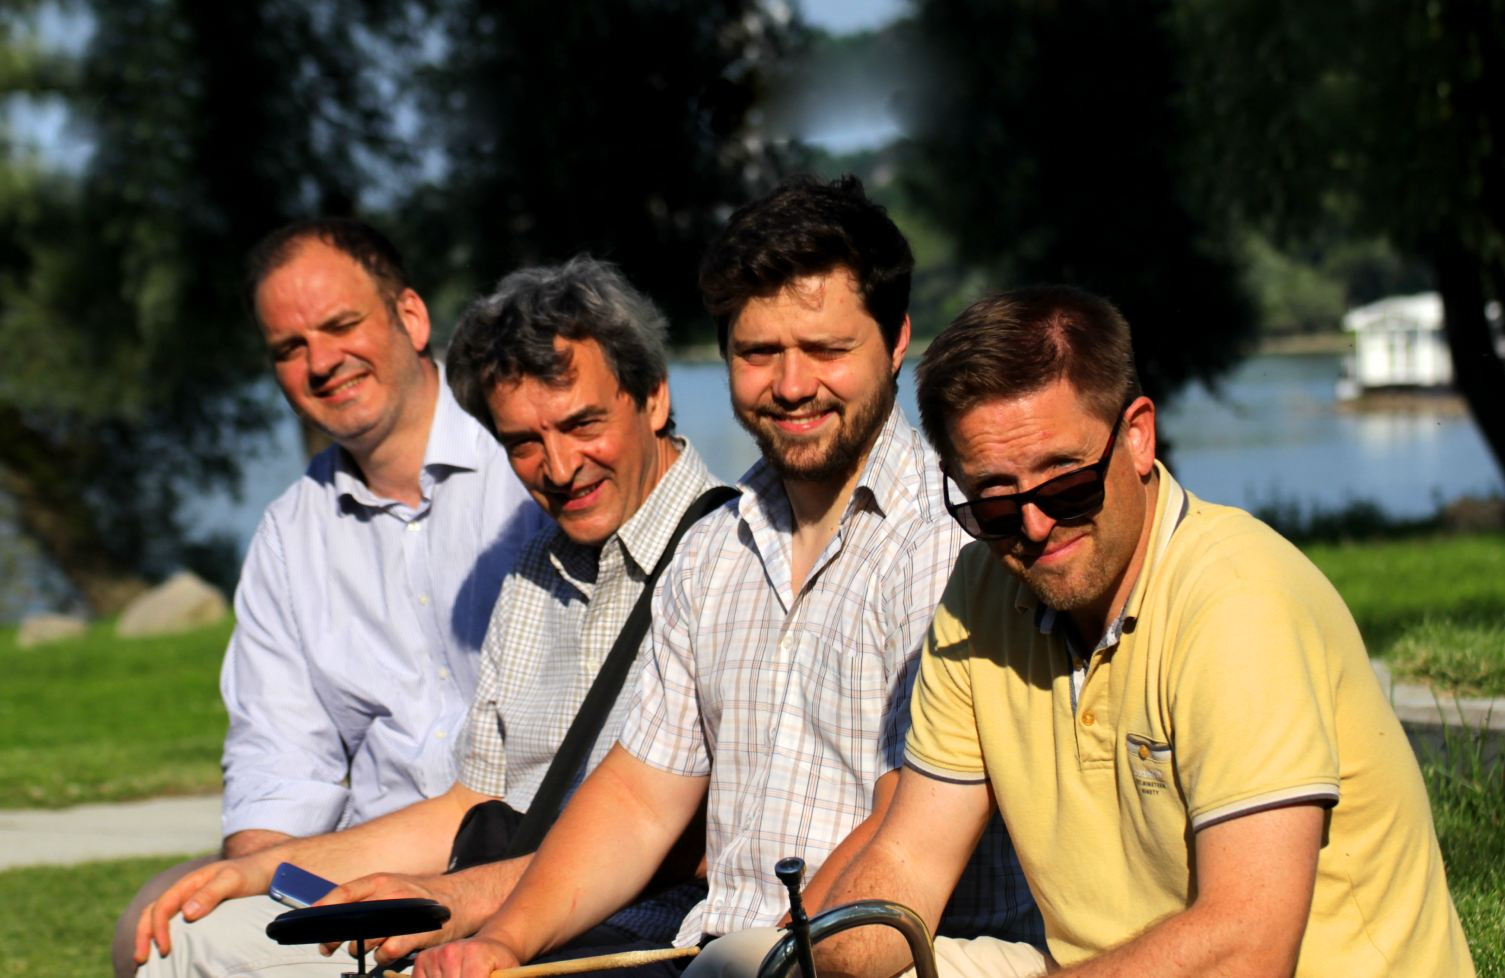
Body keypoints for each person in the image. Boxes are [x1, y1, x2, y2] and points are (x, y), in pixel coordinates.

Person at [413, 176, 1039, 978]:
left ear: (895, 343)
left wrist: (766, 960)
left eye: (826, 349)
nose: (791, 384)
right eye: (758, 353)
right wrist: (503, 942)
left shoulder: (950, 546)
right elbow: (638, 800)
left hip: (893, 958)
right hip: (726, 956)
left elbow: (901, 827)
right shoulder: (713, 548)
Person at [813, 286, 1476, 977]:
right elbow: (910, 863)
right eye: (995, 501)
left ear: (1136, 437)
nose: (1035, 526)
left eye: (1065, 484)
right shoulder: (981, 589)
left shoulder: (1238, 604)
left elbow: (1248, 950)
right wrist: (820, 962)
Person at [131, 256, 725, 976]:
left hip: (623, 941)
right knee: (191, 939)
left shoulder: (728, 555)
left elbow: (691, 837)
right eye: (524, 443)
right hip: (483, 912)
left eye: (582, 424)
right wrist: (263, 869)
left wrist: (453, 901)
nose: (560, 467)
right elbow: (470, 801)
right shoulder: (540, 565)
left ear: (654, 399)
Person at [112, 217, 547, 976]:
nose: (321, 362)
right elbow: (278, 764)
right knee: (164, 928)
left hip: (529, 864)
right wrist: (260, 894)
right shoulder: (290, 536)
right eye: (290, 347)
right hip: (364, 875)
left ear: (411, 317)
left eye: (342, 326)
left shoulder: (534, 466)